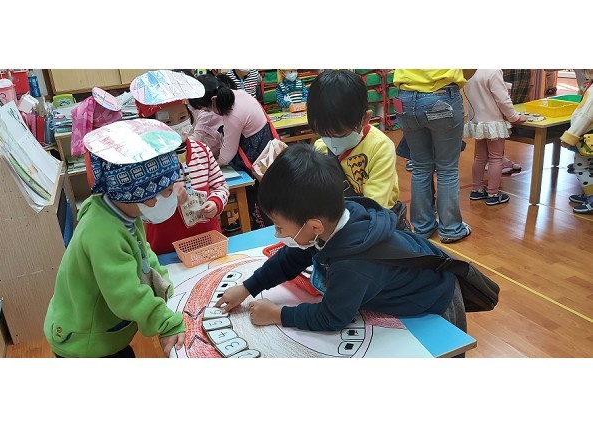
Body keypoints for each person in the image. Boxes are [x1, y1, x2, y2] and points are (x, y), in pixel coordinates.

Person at [214, 144, 467, 337]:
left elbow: (332, 317)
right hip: (407, 288)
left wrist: (278, 314)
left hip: (434, 305)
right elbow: (290, 259)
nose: (278, 234)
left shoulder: (354, 263)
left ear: (314, 226)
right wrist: (248, 287)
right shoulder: (331, 220)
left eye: (280, 227)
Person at [43, 119, 187, 358]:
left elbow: (143, 251)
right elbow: (125, 295)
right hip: (84, 343)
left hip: (102, 333)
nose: (173, 197)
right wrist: (166, 323)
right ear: (140, 192)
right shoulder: (103, 233)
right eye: (167, 191)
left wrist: (164, 284)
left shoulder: (123, 210)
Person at [134, 71, 229, 255]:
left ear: (191, 116)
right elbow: (141, 211)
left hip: (207, 241)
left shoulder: (202, 150)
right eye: (167, 121)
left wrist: (216, 202)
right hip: (166, 249)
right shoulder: (146, 162)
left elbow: (220, 186)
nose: (177, 125)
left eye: (182, 117)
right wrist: (166, 201)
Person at [308, 70, 404, 228]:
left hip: (374, 224)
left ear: (365, 119)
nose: (331, 141)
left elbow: (375, 207)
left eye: (340, 134)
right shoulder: (321, 147)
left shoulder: (379, 147)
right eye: (324, 134)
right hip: (338, 224)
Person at [393, 69, 473, 243]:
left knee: (420, 167)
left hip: (405, 98)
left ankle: (422, 227)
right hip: (442, 95)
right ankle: (451, 229)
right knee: (447, 169)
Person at [189, 73, 277, 229]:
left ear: (213, 100)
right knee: (267, 197)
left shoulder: (232, 114)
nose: (209, 113)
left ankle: (260, 228)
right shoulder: (240, 94)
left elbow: (226, 155)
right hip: (266, 155)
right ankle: (259, 223)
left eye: (206, 109)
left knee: (257, 201)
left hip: (255, 163)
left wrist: (211, 165)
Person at [463, 69, 526, 206]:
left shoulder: (471, 70)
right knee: (496, 158)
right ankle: (493, 194)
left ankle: (476, 190)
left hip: (478, 121)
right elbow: (503, 99)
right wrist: (514, 117)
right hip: (494, 122)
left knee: (480, 157)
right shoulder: (493, 71)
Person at [560, 70, 593, 214]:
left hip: (588, 136)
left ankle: (592, 198)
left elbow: (585, 117)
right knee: (590, 167)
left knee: (581, 168)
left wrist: (570, 136)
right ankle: (588, 194)